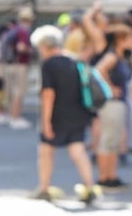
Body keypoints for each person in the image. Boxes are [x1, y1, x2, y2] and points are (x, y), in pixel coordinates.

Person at [29, 26, 99, 204]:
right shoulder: (74, 61)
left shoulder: (49, 65)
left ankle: (44, 187)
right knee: (77, 149)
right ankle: (89, 186)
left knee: (46, 151)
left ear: (44, 46)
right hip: (78, 113)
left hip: (57, 115)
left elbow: (48, 94)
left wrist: (45, 123)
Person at [92, 24, 132, 189]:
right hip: (111, 103)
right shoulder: (112, 57)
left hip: (119, 102)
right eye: (129, 38)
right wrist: (109, 87)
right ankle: (104, 176)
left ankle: (111, 174)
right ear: (120, 40)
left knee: (114, 140)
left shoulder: (121, 57)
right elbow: (98, 70)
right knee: (108, 139)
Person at [2, 7, 36, 130]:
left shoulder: (13, 30)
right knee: (18, 92)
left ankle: (11, 116)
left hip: (9, 64)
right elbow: (21, 48)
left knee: (11, 92)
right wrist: (31, 50)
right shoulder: (23, 31)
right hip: (19, 64)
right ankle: (16, 117)